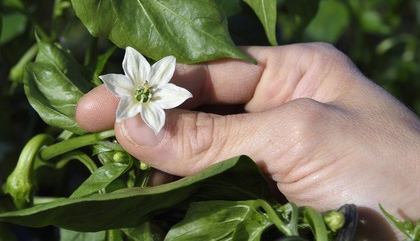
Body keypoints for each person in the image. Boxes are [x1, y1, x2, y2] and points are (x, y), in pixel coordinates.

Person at [75, 43, 420, 239]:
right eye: (144, 91)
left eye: (146, 90)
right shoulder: (135, 90)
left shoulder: (151, 96)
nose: (146, 90)